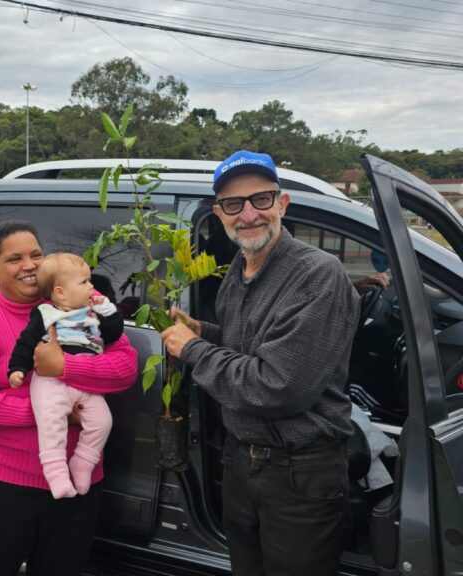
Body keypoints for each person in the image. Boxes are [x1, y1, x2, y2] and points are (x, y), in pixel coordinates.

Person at [161, 150, 361, 576]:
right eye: (234, 204)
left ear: (282, 204)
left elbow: (277, 386)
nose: (248, 214)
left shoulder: (317, 275)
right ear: (219, 213)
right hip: (242, 463)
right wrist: (203, 332)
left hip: (299, 475)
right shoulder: (241, 269)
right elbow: (247, 347)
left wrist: (192, 350)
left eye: (261, 200)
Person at [0, 221, 137, 576]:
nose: (29, 265)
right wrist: (50, 412)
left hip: (77, 487)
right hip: (5, 487)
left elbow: (125, 368)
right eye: (14, 258)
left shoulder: (82, 307)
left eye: (36, 254)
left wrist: (63, 367)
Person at [8, 252, 123, 499]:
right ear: (60, 293)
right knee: (52, 422)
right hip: (50, 383)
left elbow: (113, 334)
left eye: (89, 280)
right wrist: (17, 368)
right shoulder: (46, 314)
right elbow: (26, 342)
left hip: (85, 383)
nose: (91, 286)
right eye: (84, 282)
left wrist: (108, 310)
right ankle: (56, 473)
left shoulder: (93, 312)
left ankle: (83, 462)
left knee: (103, 421)